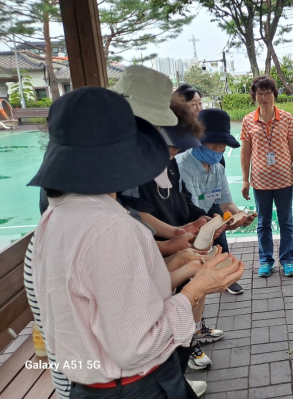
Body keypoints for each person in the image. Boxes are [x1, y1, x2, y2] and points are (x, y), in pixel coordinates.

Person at [27, 86, 245, 399]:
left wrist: (175, 265)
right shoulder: (112, 227)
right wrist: (198, 288)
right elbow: (137, 345)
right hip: (135, 387)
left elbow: (111, 297)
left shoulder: (58, 215)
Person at [177, 108, 255, 295]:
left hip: (204, 221)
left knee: (199, 283)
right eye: (214, 147)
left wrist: (240, 217)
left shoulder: (217, 167)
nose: (218, 153)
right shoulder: (182, 166)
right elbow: (192, 210)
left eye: (223, 148)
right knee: (185, 282)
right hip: (182, 225)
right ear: (198, 141)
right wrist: (221, 225)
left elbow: (226, 203)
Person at [240, 76, 293, 277]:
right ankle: (266, 260)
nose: (264, 97)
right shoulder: (248, 120)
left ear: (274, 94)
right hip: (260, 182)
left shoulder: (286, 117)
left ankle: (288, 260)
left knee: (286, 222)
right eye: (260, 93)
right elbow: (245, 152)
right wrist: (245, 180)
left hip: (284, 180)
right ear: (254, 96)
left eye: (268, 93)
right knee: (263, 223)